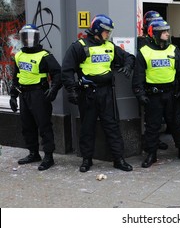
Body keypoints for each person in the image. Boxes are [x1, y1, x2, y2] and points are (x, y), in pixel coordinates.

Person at [62, 14, 134, 172]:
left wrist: (128, 66)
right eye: (106, 32)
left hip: (107, 92)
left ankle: (118, 159)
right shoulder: (80, 46)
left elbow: (128, 57)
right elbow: (66, 70)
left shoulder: (110, 46)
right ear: (97, 30)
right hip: (88, 93)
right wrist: (72, 90)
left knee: (112, 126)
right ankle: (87, 160)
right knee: (87, 127)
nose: (108, 35)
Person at [132, 19, 180, 168]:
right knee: (153, 126)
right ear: (155, 34)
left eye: (167, 31)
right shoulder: (144, 52)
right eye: (164, 32)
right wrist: (140, 94)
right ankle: (151, 154)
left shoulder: (173, 49)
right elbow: (138, 76)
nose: (167, 34)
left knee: (177, 123)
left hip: (171, 94)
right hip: (153, 95)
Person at [9, 24, 62, 171]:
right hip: (24, 94)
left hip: (39, 94)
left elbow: (58, 74)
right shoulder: (19, 55)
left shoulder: (44, 55)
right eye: (25, 37)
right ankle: (33, 153)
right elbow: (16, 77)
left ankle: (48, 156)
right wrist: (13, 95)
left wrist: (53, 90)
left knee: (44, 126)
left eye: (31, 37)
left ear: (37, 38)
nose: (28, 40)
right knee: (27, 126)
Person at [137, 10, 168, 151]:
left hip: (164, 87)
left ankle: (156, 140)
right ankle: (148, 143)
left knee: (157, 118)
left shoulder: (164, 42)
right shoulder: (142, 42)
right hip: (147, 86)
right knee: (149, 119)